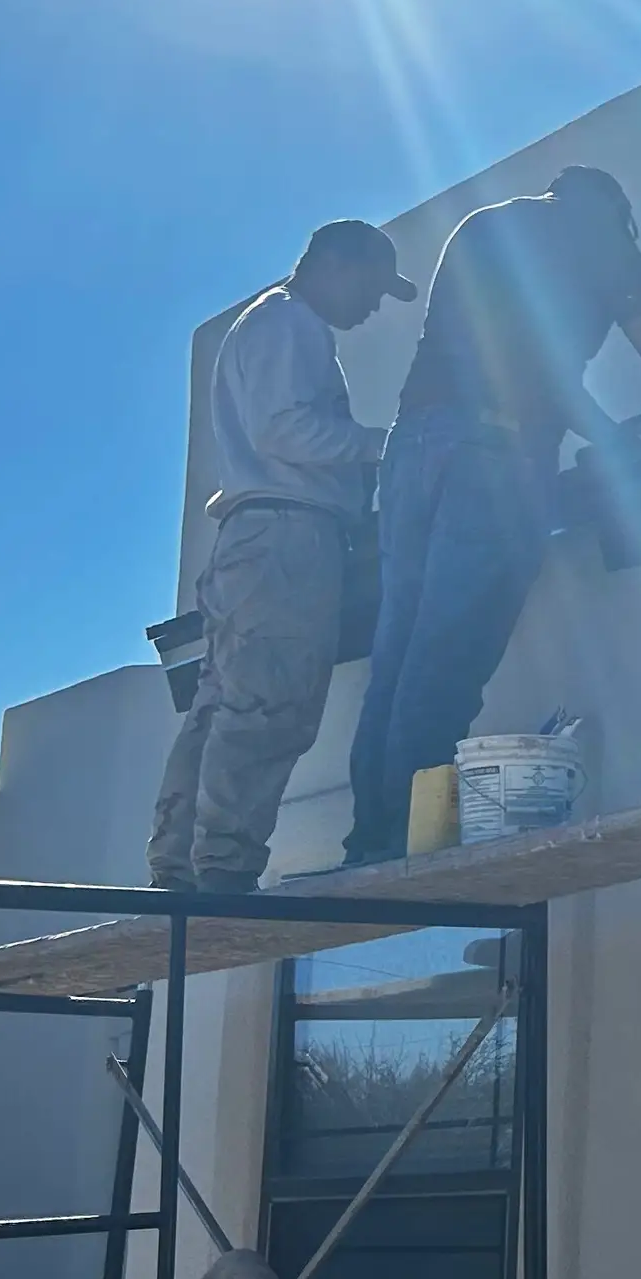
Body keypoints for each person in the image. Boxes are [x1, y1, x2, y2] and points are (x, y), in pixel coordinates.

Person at [343, 166, 641, 865]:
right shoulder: (602, 236)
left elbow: (514, 350)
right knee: (446, 659)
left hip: (411, 448)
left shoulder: (483, 225)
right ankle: (405, 848)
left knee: (398, 655)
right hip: (496, 452)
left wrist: (602, 430)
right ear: (614, 206)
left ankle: (369, 837)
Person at [148, 220, 417, 894]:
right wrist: (389, 444)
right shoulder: (291, 323)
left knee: (220, 709)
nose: (374, 307)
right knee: (270, 706)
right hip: (287, 539)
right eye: (373, 288)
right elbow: (286, 430)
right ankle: (224, 872)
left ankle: (179, 870)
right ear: (336, 265)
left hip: (254, 540)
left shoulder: (268, 324)